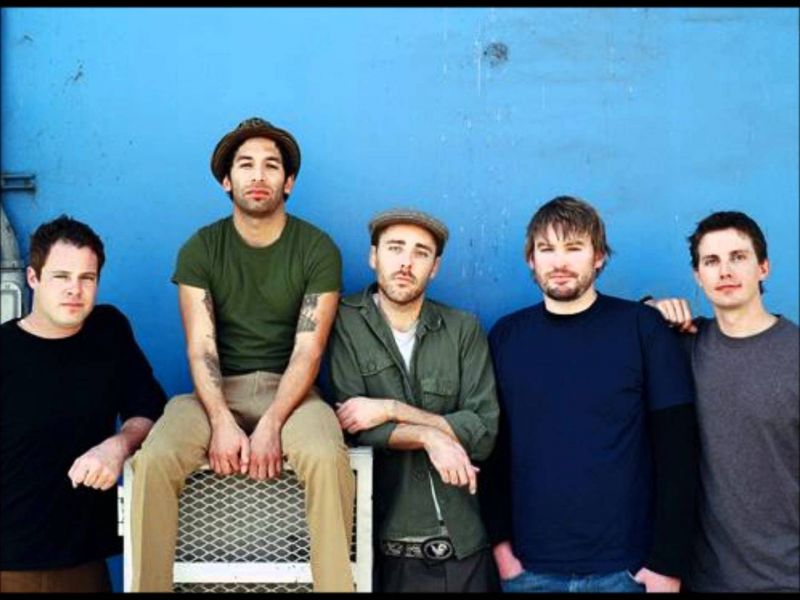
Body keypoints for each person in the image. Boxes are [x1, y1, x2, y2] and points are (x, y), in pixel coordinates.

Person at [129, 117, 355, 592]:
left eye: (271, 165)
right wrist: (221, 420)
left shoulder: (316, 248)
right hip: (214, 391)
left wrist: (271, 422)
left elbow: (309, 349)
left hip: (291, 391)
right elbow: (201, 347)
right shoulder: (201, 248)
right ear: (226, 181)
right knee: (155, 459)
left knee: (324, 454)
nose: (258, 175)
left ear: (288, 182)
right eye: (245, 164)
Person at [481, 195, 698, 593]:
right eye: (546, 249)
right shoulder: (507, 337)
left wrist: (666, 565)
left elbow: (678, 453)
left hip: (628, 572)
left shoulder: (642, 328)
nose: (559, 262)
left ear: (598, 256)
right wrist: (503, 554)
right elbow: (493, 452)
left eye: (574, 248)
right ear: (531, 259)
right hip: (530, 572)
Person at [328, 208, 500, 592]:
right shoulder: (344, 322)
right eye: (395, 248)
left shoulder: (462, 329)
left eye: (421, 253)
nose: (406, 262)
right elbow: (352, 424)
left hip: (466, 550)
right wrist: (430, 435)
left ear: (434, 267)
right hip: (391, 553)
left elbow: (484, 432)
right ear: (374, 257)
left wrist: (391, 410)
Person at [0, 216, 166, 593]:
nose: (74, 290)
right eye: (61, 276)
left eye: (86, 278)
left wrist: (118, 446)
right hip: (10, 567)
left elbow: (151, 411)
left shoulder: (108, 332)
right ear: (33, 278)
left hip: (85, 564)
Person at [647, 211, 799, 593]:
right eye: (711, 261)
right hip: (704, 582)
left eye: (738, 257)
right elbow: (624, 339)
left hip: (786, 579)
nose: (725, 271)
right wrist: (650, 309)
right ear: (698, 276)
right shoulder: (687, 346)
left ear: (763, 268)